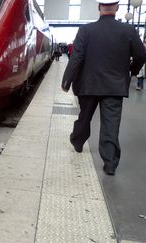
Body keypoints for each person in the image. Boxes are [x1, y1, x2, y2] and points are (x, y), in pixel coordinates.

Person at [61, 0, 146, 176]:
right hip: (114, 86)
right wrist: (133, 70)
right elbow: (141, 54)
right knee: (111, 124)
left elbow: (77, 57)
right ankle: (110, 164)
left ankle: (77, 141)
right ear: (117, 8)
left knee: (84, 117)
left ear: (99, 7)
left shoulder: (86, 30)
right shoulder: (128, 30)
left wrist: (66, 81)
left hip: (88, 84)